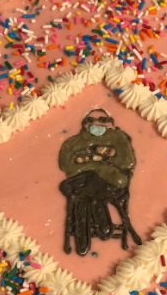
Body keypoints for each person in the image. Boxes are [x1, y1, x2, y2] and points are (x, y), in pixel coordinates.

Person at [58, 109, 142, 255]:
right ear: (84, 124)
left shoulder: (118, 138)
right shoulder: (74, 142)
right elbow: (66, 165)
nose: (97, 123)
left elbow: (126, 162)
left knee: (83, 186)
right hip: (81, 181)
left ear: (111, 122)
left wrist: (87, 162)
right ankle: (103, 226)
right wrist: (98, 162)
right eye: (90, 121)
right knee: (88, 180)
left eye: (103, 120)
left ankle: (82, 239)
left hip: (112, 182)